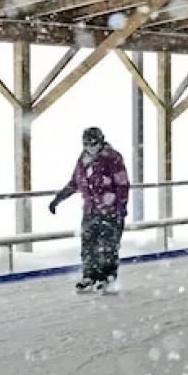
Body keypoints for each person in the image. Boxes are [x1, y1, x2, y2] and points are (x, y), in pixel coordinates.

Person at [48, 126, 130, 294]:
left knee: (107, 246)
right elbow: (74, 182)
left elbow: (122, 184)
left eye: (94, 143)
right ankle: (89, 275)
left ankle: (107, 277)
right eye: (87, 144)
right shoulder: (83, 160)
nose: (90, 147)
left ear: (101, 142)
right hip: (90, 210)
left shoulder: (112, 158)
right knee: (88, 244)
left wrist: (121, 207)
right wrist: (58, 199)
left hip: (110, 210)